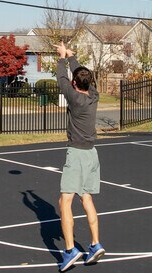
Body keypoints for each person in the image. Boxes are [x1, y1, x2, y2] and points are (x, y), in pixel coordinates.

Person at [53, 42, 105, 270]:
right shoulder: (94, 95)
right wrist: (72, 58)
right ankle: (95, 244)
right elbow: (76, 76)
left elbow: (61, 78)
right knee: (87, 199)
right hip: (92, 154)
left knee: (64, 202)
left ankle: (69, 250)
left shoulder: (74, 97)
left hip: (77, 154)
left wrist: (62, 57)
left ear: (75, 83)